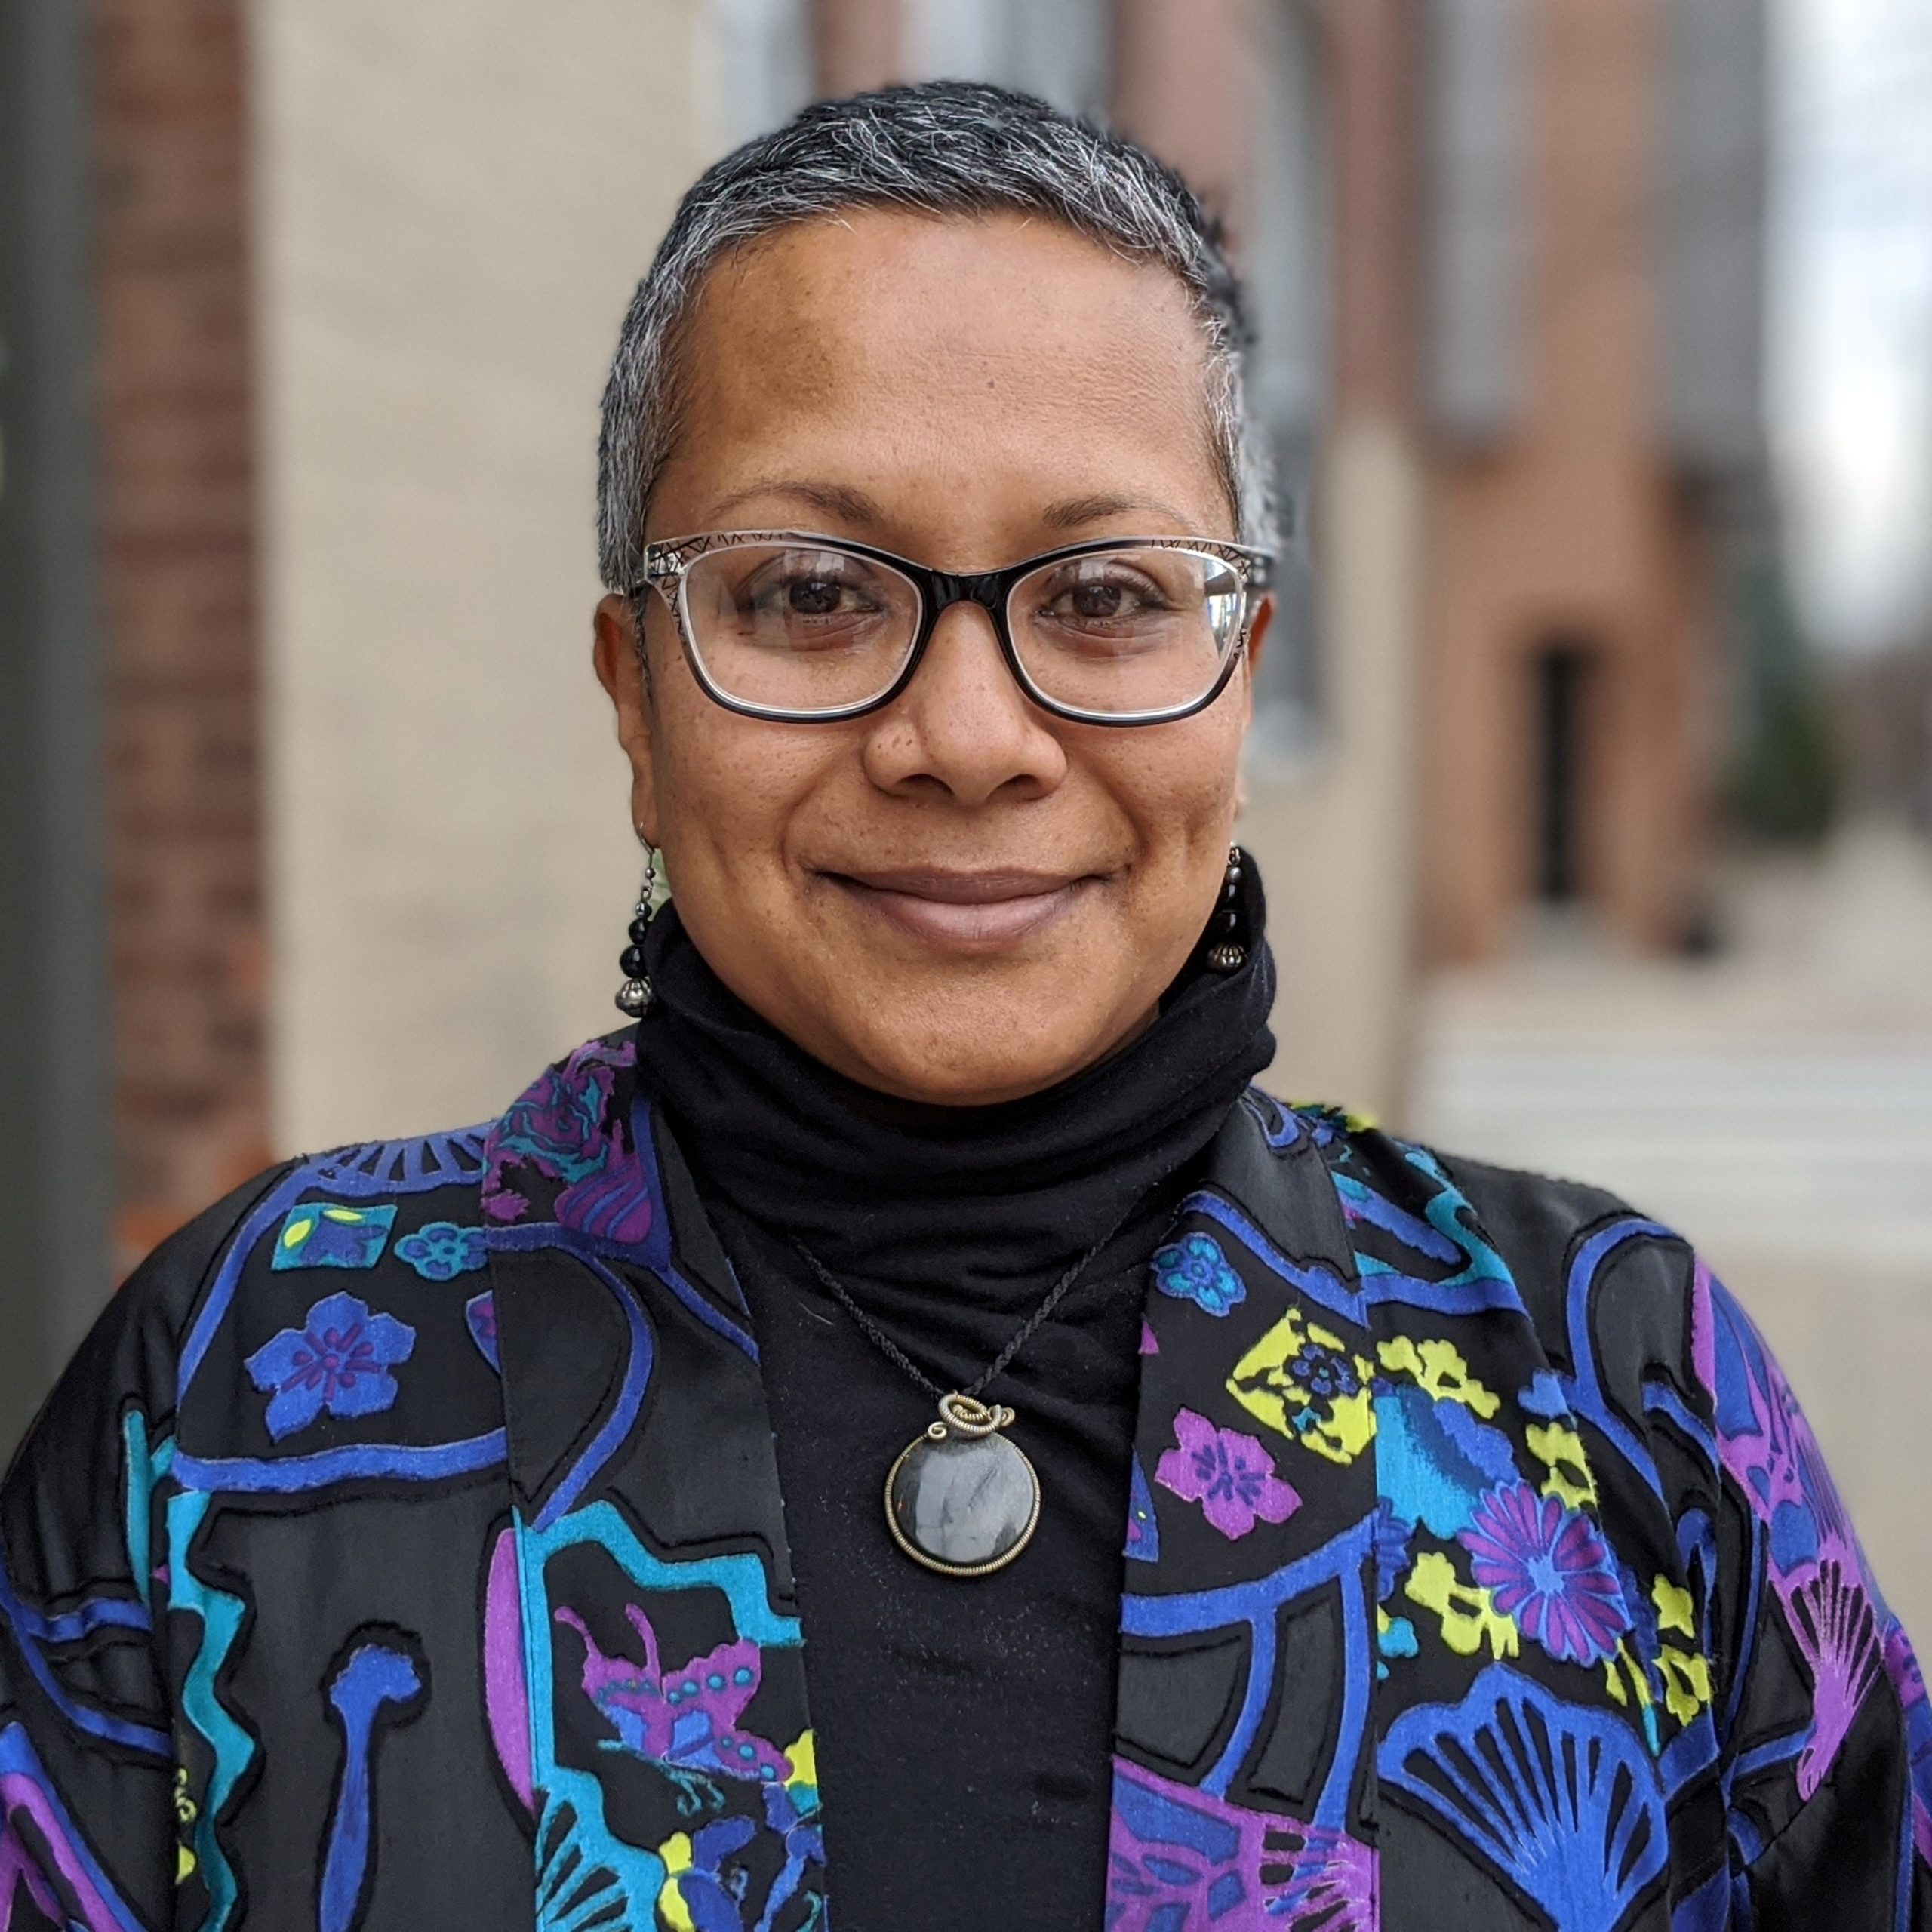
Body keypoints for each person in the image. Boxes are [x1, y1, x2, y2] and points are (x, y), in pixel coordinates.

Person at [2, 80, 1926, 1932]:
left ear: (1239, 674)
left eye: (1099, 596)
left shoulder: (1613, 1388)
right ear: (635, 698)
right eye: (813, 592)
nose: (966, 737)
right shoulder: (250, 1383)